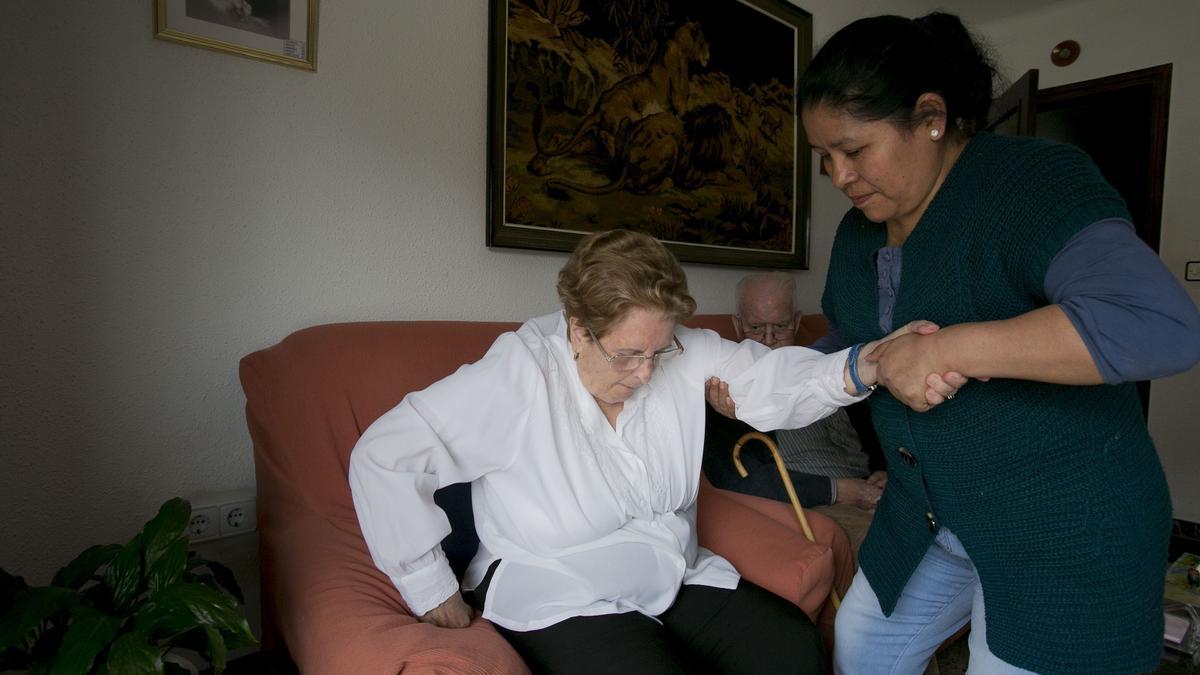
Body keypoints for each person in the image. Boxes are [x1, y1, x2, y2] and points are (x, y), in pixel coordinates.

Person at [347, 229, 952, 674]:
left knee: (791, 650)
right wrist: (432, 591)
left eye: (658, 352)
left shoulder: (677, 353)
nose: (646, 374)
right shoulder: (517, 375)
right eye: (628, 355)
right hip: (558, 586)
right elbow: (385, 454)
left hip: (670, 569)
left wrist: (865, 363)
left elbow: (770, 378)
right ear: (578, 330)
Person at [796, 11, 1200, 675]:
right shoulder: (858, 235)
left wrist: (948, 348)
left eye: (855, 150)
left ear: (929, 115)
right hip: (930, 512)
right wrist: (769, 378)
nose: (839, 176)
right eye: (824, 160)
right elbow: (854, 339)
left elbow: (1154, 322)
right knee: (861, 645)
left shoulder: (1033, 182)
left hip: (1065, 525)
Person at [703, 271, 886, 510]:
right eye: (756, 327)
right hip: (817, 503)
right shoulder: (721, 392)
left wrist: (886, 470)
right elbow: (739, 478)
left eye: (780, 326)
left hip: (875, 490)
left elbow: (879, 430)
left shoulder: (830, 365)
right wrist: (839, 491)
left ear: (797, 322)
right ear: (738, 325)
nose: (768, 339)